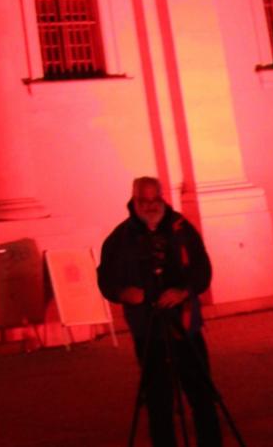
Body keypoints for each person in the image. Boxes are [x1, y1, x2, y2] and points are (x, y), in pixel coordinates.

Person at [97, 177, 222, 446]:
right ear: (134, 200)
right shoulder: (120, 238)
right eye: (144, 200)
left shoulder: (182, 229)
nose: (151, 205)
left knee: (201, 392)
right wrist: (123, 293)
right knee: (158, 399)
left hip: (185, 324)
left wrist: (183, 291)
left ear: (162, 198)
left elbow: (202, 270)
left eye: (155, 199)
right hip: (148, 328)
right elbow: (106, 278)